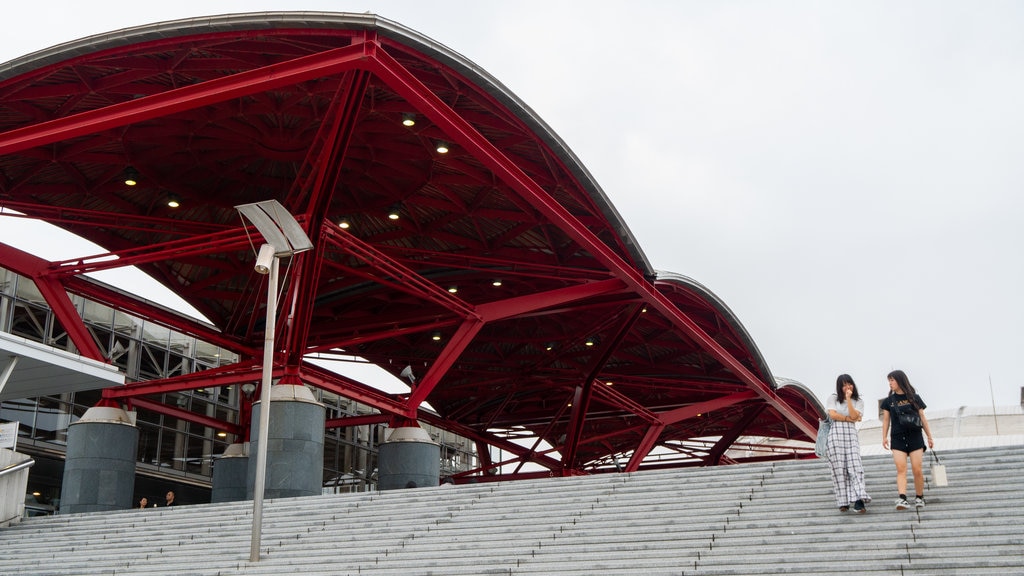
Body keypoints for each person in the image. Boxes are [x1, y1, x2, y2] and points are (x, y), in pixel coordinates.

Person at [880, 369, 934, 510]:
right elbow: (886, 420)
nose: (890, 383)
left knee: (917, 469)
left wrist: (929, 436)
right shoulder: (888, 401)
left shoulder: (914, 398)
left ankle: (919, 496)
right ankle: (902, 498)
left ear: (900, 380)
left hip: (915, 436)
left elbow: (922, 418)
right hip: (897, 438)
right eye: (889, 381)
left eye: (892, 380)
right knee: (901, 469)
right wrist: (884, 437)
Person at [825, 374, 870, 513]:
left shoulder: (858, 401)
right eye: (844, 385)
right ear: (839, 387)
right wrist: (847, 418)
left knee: (855, 465)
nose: (847, 387)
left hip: (851, 434)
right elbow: (832, 415)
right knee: (839, 468)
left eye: (849, 384)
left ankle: (859, 499)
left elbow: (855, 416)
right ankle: (843, 501)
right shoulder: (833, 398)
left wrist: (849, 399)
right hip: (835, 434)